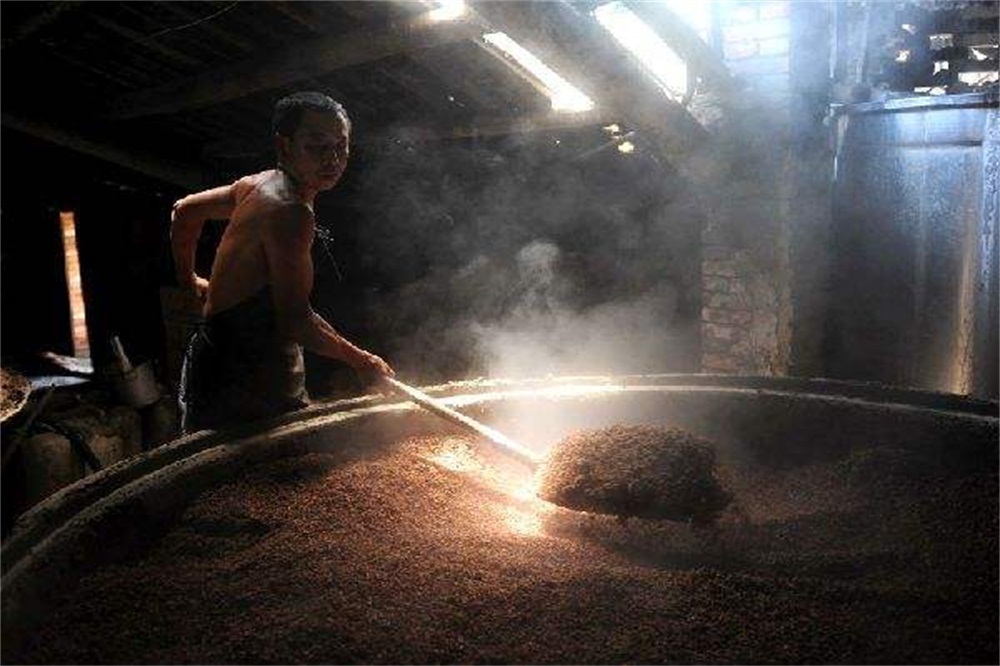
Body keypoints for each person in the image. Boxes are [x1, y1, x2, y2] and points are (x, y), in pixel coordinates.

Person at [172, 91, 394, 433]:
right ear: (284, 145)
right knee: (272, 476)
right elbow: (296, 323)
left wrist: (188, 280)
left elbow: (184, 211)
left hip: (210, 357)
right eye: (317, 145)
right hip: (248, 377)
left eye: (341, 145)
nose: (333, 158)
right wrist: (363, 361)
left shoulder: (256, 185)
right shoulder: (291, 213)